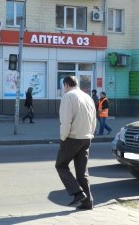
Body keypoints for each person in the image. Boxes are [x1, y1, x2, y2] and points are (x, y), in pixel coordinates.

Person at [55, 76, 96, 210]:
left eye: (63, 86)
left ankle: (77, 193)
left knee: (61, 165)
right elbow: (94, 119)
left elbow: (66, 121)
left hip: (72, 138)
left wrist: (63, 137)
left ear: (66, 85)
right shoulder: (88, 97)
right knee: (82, 171)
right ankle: (87, 202)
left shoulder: (68, 97)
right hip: (87, 137)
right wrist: (91, 134)